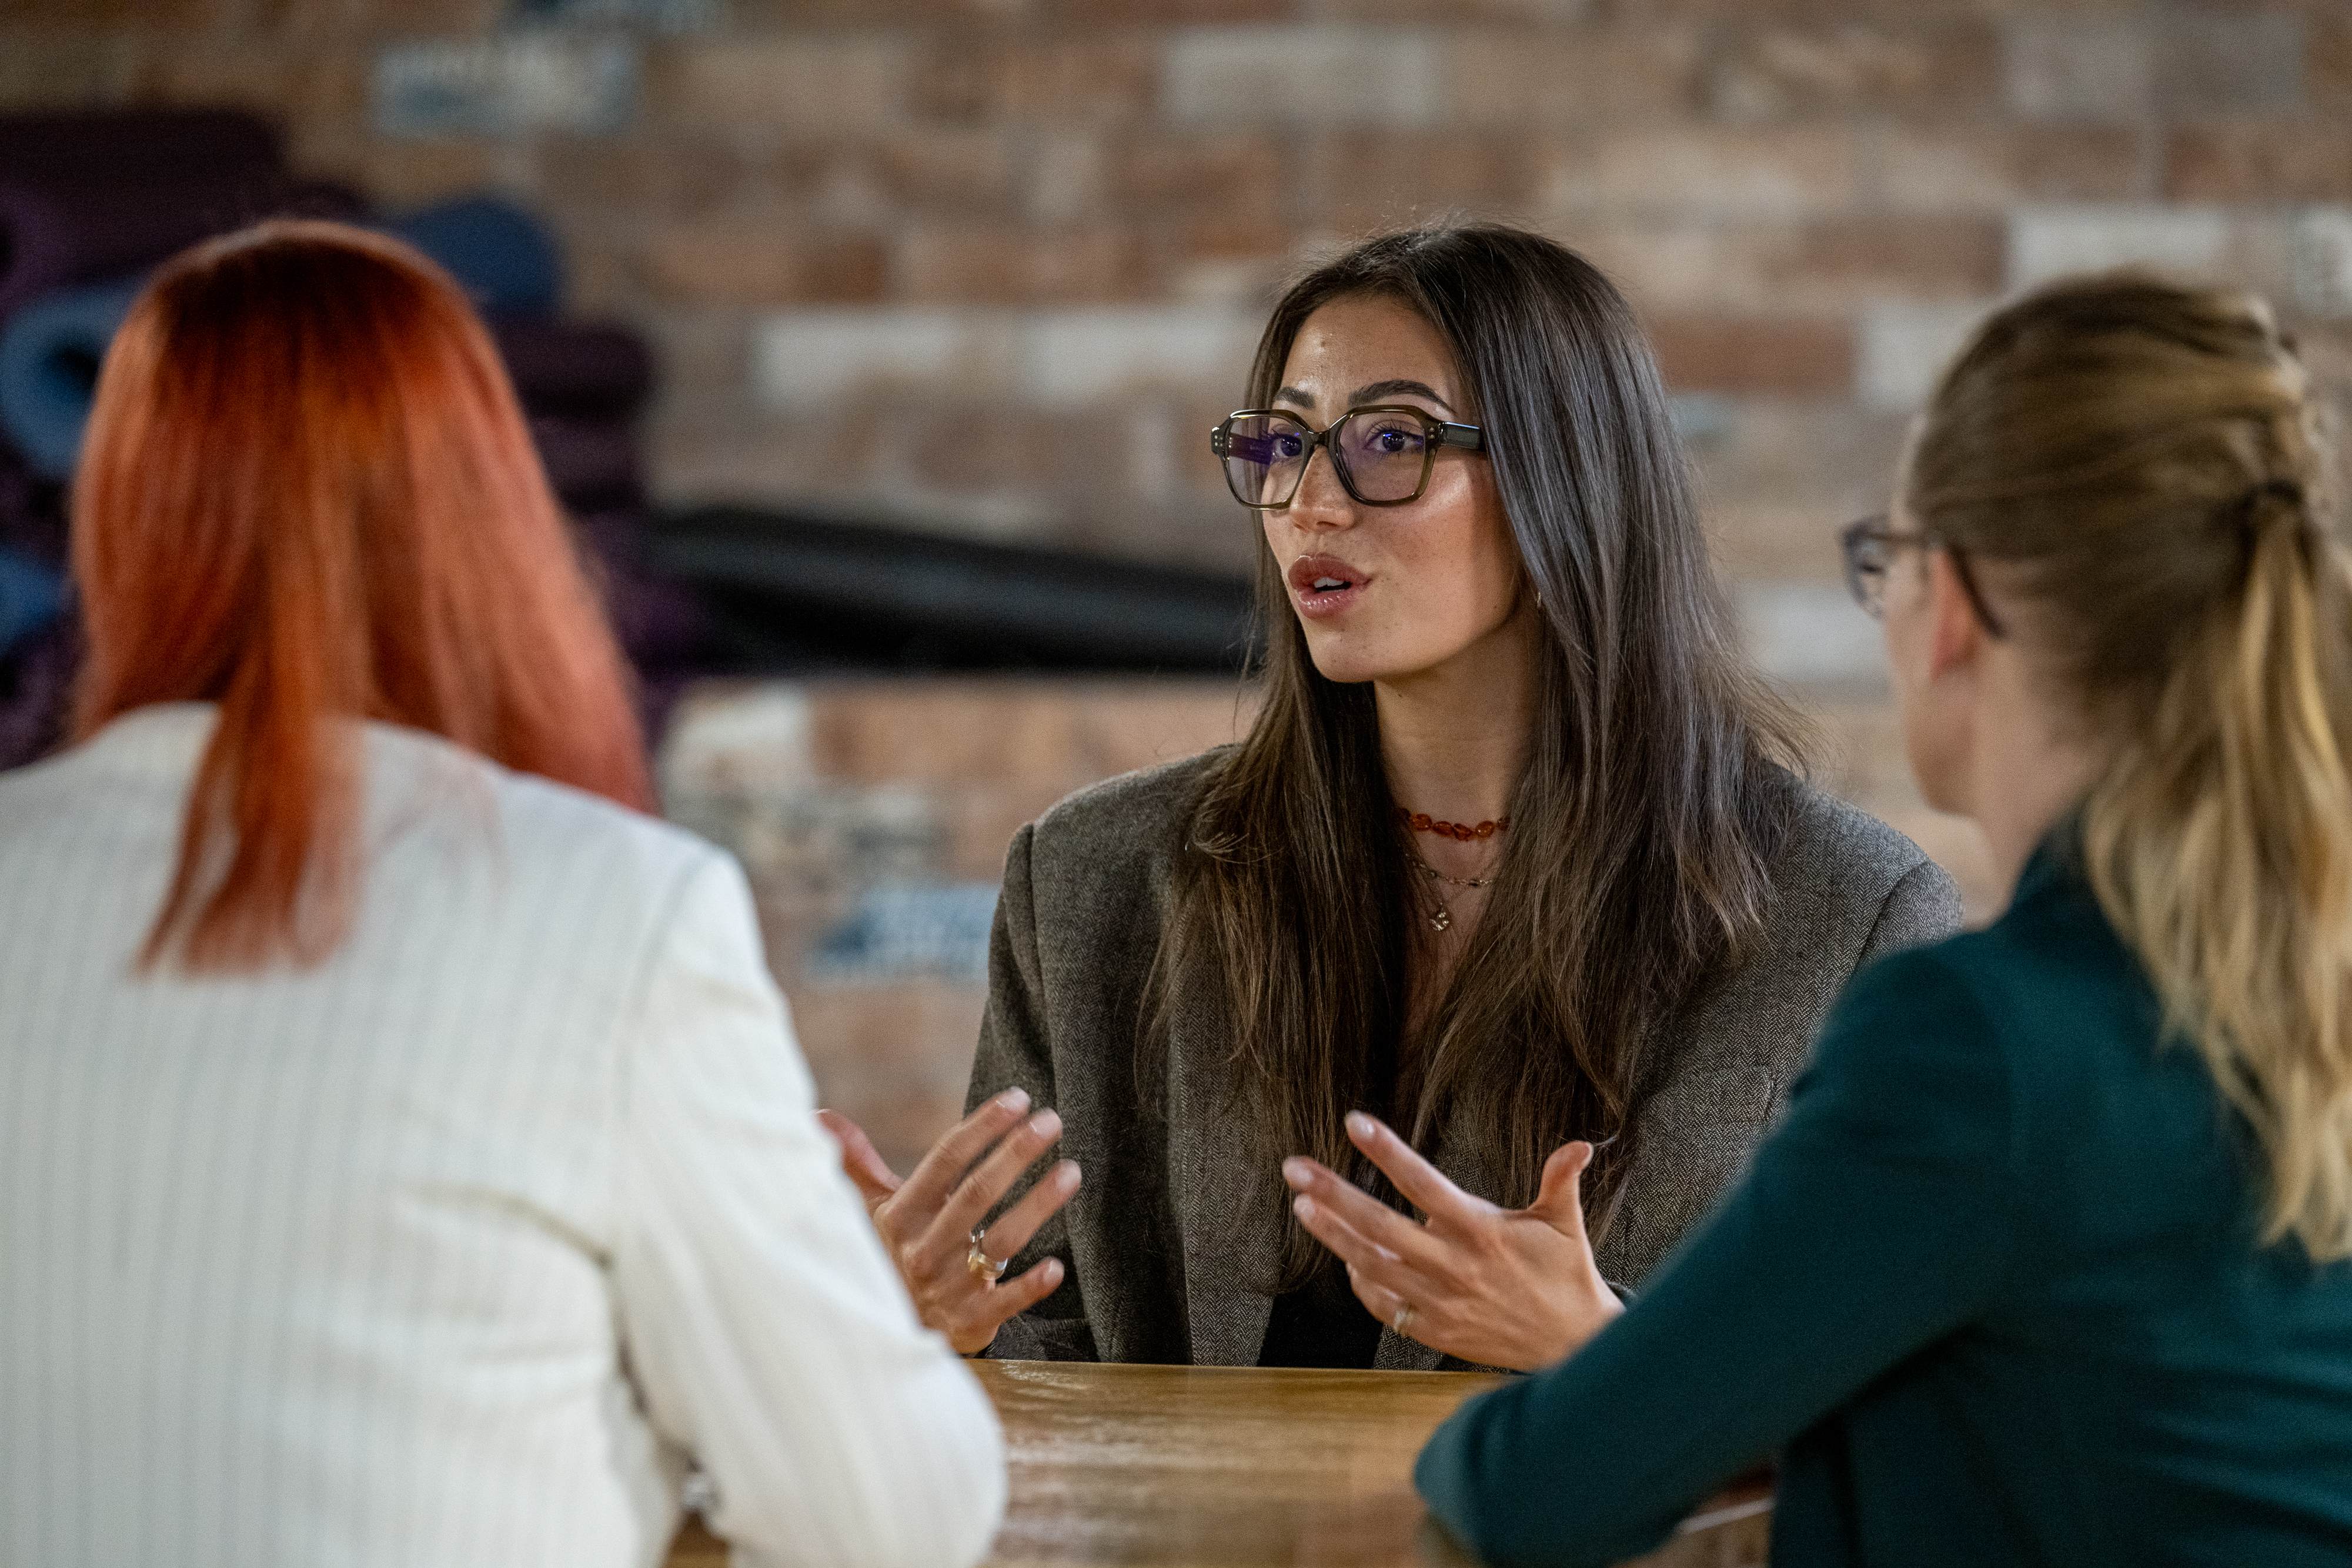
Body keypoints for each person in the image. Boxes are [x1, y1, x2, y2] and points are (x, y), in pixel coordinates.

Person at [0, 222, 1003, 1568]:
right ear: (482, 516)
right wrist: (838, 1307)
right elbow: (889, 1516)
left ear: (121, 518)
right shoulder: (624, 912)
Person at [821, 223, 1960, 1370]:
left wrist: (1614, 1353)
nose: (1308, 504)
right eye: (1281, 443)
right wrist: (911, 1329)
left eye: (1388, 440)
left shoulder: (1852, 915)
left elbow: (1916, 1432)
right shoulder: (1093, 880)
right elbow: (1035, 1354)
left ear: (1564, 476)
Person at [1415, 271, 2352, 1567]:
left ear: (1952, 604)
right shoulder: (2301, 993)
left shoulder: (1979, 1041)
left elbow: (1539, 1486)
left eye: (1886, 560)